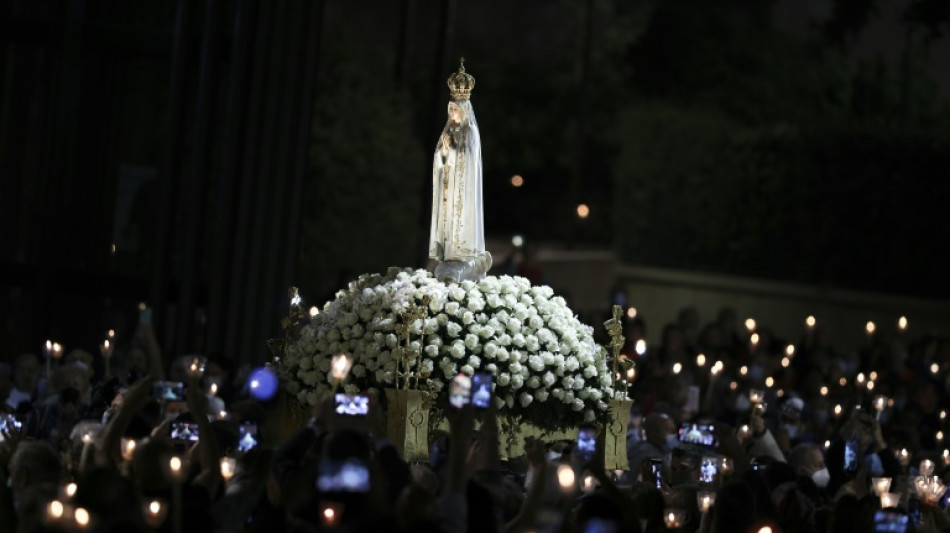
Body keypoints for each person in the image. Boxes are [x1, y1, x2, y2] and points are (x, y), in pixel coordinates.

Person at [429, 60, 491, 282]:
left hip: (463, 189)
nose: (453, 114)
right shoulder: (449, 131)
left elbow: (469, 159)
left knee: (461, 220)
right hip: (450, 187)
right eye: (451, 110)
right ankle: (449, 255)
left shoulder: (470, 132)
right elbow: (440, 158)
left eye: (456, 111)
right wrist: (444, 151)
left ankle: (463, 256)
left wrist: (452, 151)